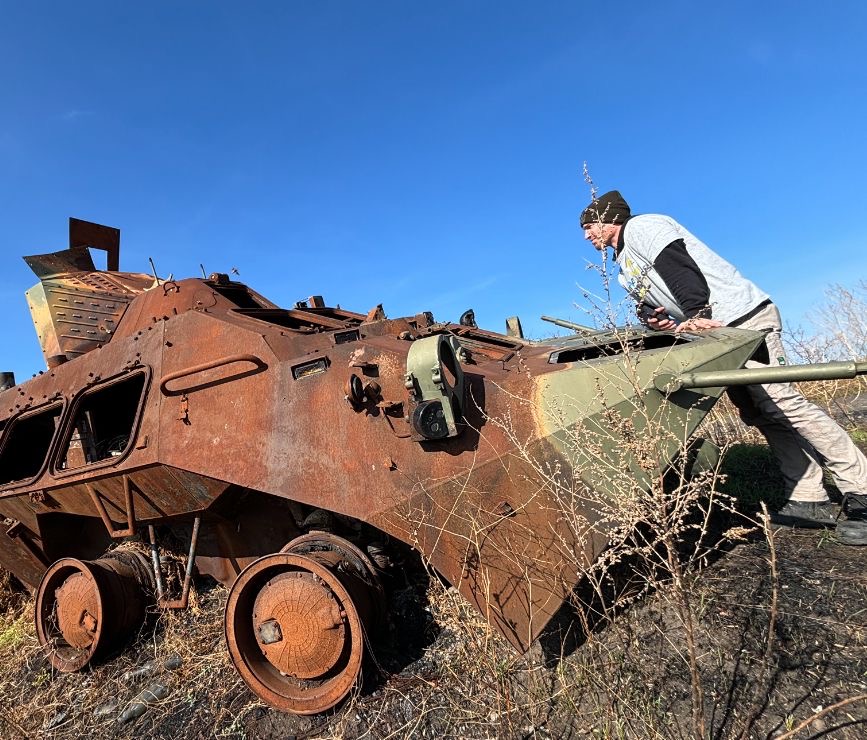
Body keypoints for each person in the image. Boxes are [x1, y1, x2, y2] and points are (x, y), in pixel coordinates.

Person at [579, 189, 867, 541]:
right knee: (761, 413)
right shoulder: (624, 264)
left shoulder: (642, 227)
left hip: (742, 321)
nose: (587, 235)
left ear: (611, 219)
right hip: (716, 337)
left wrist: (699, 312)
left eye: (590, 226)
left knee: (783, 403)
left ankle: (861, 489)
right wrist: (656, 320)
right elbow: (655, 303)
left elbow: (678, 265)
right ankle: (808, 497)